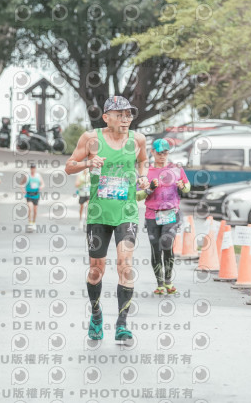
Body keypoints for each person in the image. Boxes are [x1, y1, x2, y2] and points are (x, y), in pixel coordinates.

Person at [65, 95, 149, 342]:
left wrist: (143, 176)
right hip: (98, 213)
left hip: (126, 212)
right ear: (106, 117)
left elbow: (143, 161)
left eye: (128, 114)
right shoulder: (91, 139)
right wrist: (88, 163)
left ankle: (122, 324)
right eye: (120, 114)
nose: (125, 119)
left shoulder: (138, 140)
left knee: (125, 264)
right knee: (96, 270)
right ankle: (96, 314)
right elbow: (69, 166)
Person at [136, 138, 190, 295]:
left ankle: (168, 280)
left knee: (166, 243)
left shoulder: (176, 169)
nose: (162, 156)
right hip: (152, 214)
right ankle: (160, 284)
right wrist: (149, 189)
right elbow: (137, 196)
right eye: (159, 153)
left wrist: (183, 186)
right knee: (155, 248)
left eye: (165, 153)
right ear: (152, 152)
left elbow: (187, 187)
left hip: (171, 212)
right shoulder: (146, 172)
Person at [19, 163, 44, 231]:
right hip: (29, 194)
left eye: (34, 168)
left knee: (35, 211)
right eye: (32, 168)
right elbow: (21, 184)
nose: (33, 169)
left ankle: (33, 222)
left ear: (35, 169)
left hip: (36, 195)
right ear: (30, 169)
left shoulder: (38, 176)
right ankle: (30, 223)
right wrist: (23, 189)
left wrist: (41, 187)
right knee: (30, 208)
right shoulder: (27, 176)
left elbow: (42, 184)